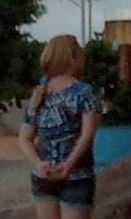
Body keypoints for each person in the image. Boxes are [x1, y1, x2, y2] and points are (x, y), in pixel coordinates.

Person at [18, 34, 99, 219]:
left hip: (43, 176)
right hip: (77, 175)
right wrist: (68, 165)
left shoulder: (40, 93)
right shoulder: (84, 92)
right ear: (73, 57)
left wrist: (39, 165)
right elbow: (88, 134)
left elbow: (24, 138)